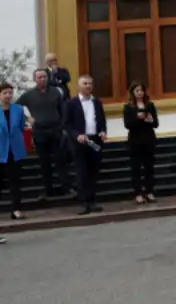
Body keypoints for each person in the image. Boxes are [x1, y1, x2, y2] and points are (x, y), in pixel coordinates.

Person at [17, 68, 74, 199]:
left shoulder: (56, 92)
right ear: (34, 79)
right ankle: (47, 189)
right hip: (39, 132)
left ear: (48, 78)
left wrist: (64, 126)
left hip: (56, 131)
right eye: (39, 77)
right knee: (44, 162)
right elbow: (16, 107)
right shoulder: (28, 95)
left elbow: (62, 110)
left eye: (44, 77)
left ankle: (66, 187)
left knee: (60, 160)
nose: (42, 79)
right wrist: (27, 119)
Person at [63, 75, 107, 215]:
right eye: (85, 83)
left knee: (93, 171)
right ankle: (84, 202)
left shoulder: (97, 102)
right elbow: (67, 124)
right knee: (82, 172)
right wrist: (77, 135)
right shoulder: (71, 103)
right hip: (80, 141)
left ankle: (92, 200)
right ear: (78, 86)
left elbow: (101, 120)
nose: (88, 86)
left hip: (94, 141)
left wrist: (103, 131)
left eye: (90, 83)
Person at [123, 82, 159, 204]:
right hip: (135, 141)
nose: (140, 93)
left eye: (141, 90)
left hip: (148, 139)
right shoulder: (128, 107)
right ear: (133, 92)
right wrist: (137, 118)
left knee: (149, 167)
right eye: (137, 91)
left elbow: (156, 124)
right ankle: (138, 193)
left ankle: (150, 191)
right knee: (136, 168)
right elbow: (127, 124)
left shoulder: (150, 105)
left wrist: (150, 120)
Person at [0, 82, 29, 221]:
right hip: (0, 150)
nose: (8, 96)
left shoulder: (18, 109)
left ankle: (16, 209)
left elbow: (22, 127)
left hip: (15, 150)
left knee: (15, 181)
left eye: (10, 93)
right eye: (5, 93)